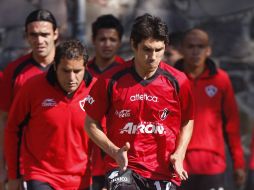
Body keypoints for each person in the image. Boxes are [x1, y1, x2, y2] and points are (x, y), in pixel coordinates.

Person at [84, 13, 194, 190]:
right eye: (147, 49)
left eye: (159, 50)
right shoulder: (109, 80)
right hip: (124, 167)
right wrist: (114, 151)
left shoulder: (178, 81)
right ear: (134, 45)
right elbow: (90, 123)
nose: (153, 57)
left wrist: (180, 153)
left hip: (163, 170)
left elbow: (187, 120)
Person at [4, 39, 95, 190]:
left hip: (82, 178)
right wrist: (14, 176)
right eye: (66, 71)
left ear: (85, 67)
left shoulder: (96, 90)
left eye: (77, 71)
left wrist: (105, 176)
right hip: (41, 175)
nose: (72, 78)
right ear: (55, 66)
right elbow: (13, 129)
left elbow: (107, 135)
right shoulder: (32, 88)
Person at [174, 28, 246, 190]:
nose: (195, 51)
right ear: (182, 49)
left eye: (200, 46)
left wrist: (238, 164)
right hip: (178, 163)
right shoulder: (170, 79)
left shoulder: (221, 79)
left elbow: (232, 125)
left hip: (213, 165)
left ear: (208, 50)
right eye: (190, 46)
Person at [0, 9, 59, 190]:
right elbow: (4, 121)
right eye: (33, 35)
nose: (39, 40)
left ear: (56, 34)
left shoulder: (74, 70)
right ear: (26, 36)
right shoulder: (13, 72)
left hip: (71, 164)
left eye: (44, 34)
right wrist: (3, 167)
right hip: (28, 167)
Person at [87, 14, 125, 190]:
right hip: (84, 156)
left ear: (120, 42)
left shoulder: (128, 75)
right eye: (102, 39)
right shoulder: (79, 72)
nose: (107, 44)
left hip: (118, 157)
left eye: (112, 39)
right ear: (93, 40)